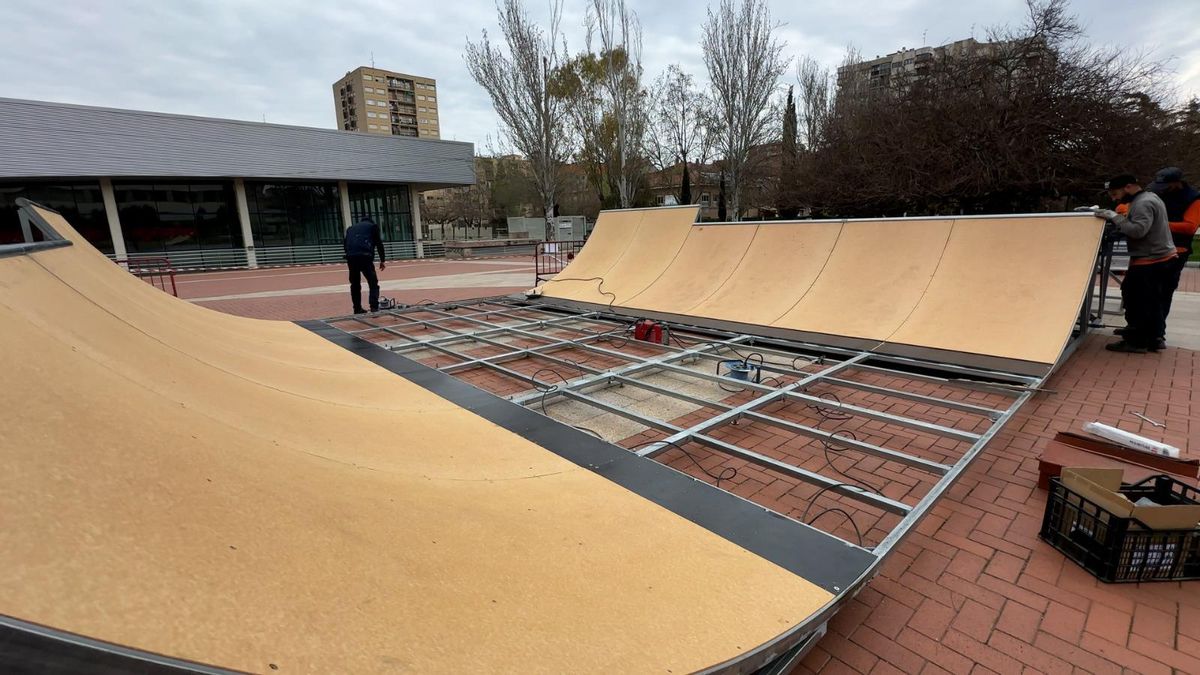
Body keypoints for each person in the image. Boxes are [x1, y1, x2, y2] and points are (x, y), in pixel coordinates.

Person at [1093, 174, 1176, 353]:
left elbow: (1138, 231)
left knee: (1137, 298)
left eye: (1116, 193)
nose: (1115, 198)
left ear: (1129, 187)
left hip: (1151, 258)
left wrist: (1115, 217)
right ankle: (1154, 337)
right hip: (1158, 257)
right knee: (1152, 301)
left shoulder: (1142, 203)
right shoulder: (1150, 198)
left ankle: (1136, 340)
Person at [1147, 167, 1200, 332]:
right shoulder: (1161, 193)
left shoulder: (1193, 199)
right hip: (1155, 247)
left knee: (1164, 291)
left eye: (1166, 185)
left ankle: (1157, 333)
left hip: (1177, 250)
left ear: (1177, 183)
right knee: (1147, 290)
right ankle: (1143, 328)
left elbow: (1190, 227)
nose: (1162, 188)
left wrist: (1159, 224)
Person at [344, 216, 386, 314]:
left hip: (351, 257)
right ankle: (374, 307)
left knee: (355, 284)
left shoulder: (350, 228)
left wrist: (349, 254)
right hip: (365, 256)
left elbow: (345, 243)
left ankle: (357, 309)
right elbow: (379, 243)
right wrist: (382, 260)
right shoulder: (372, 227)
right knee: (373, 282)